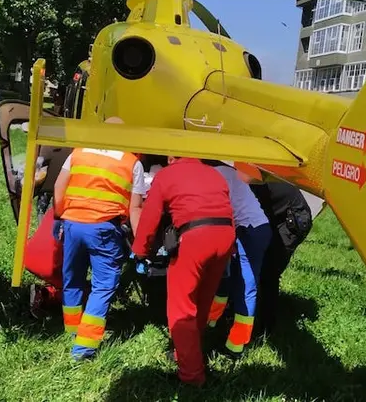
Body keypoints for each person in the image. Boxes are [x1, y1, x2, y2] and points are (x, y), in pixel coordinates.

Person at [131, 157, 235, 387]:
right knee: (203, 300)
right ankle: (185, 353)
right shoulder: (214, 174)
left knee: (181, 307)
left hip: (195, 237)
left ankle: (191, 377)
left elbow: (150, 216)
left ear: (170, 158)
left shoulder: (166, 175)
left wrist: (140, 250)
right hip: (226, 236)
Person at [52, 116, 146, 360]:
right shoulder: (131, 162)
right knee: (102, 286)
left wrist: (59, 216)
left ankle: (71, 331)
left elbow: (58, 187)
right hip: (104, 227)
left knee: (72, 277)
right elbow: (135, 207)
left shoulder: (78, 152)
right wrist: (141, 243)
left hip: (72, 223)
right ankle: (83, 349)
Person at [204, 161, 272, 358]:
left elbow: (222, 211)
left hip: (251, 230)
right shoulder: (223, 171)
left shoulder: (216, 175)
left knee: (245, 286)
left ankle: (236, 345)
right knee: (225, 278)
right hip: (246, 228)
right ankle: (212, 321)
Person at [249, 180, 313, 337]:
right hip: (280, 215)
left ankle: (266, 328)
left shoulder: (253, 187)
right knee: (262, 266)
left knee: (269, 272)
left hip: (293, 221)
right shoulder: (250, 181)